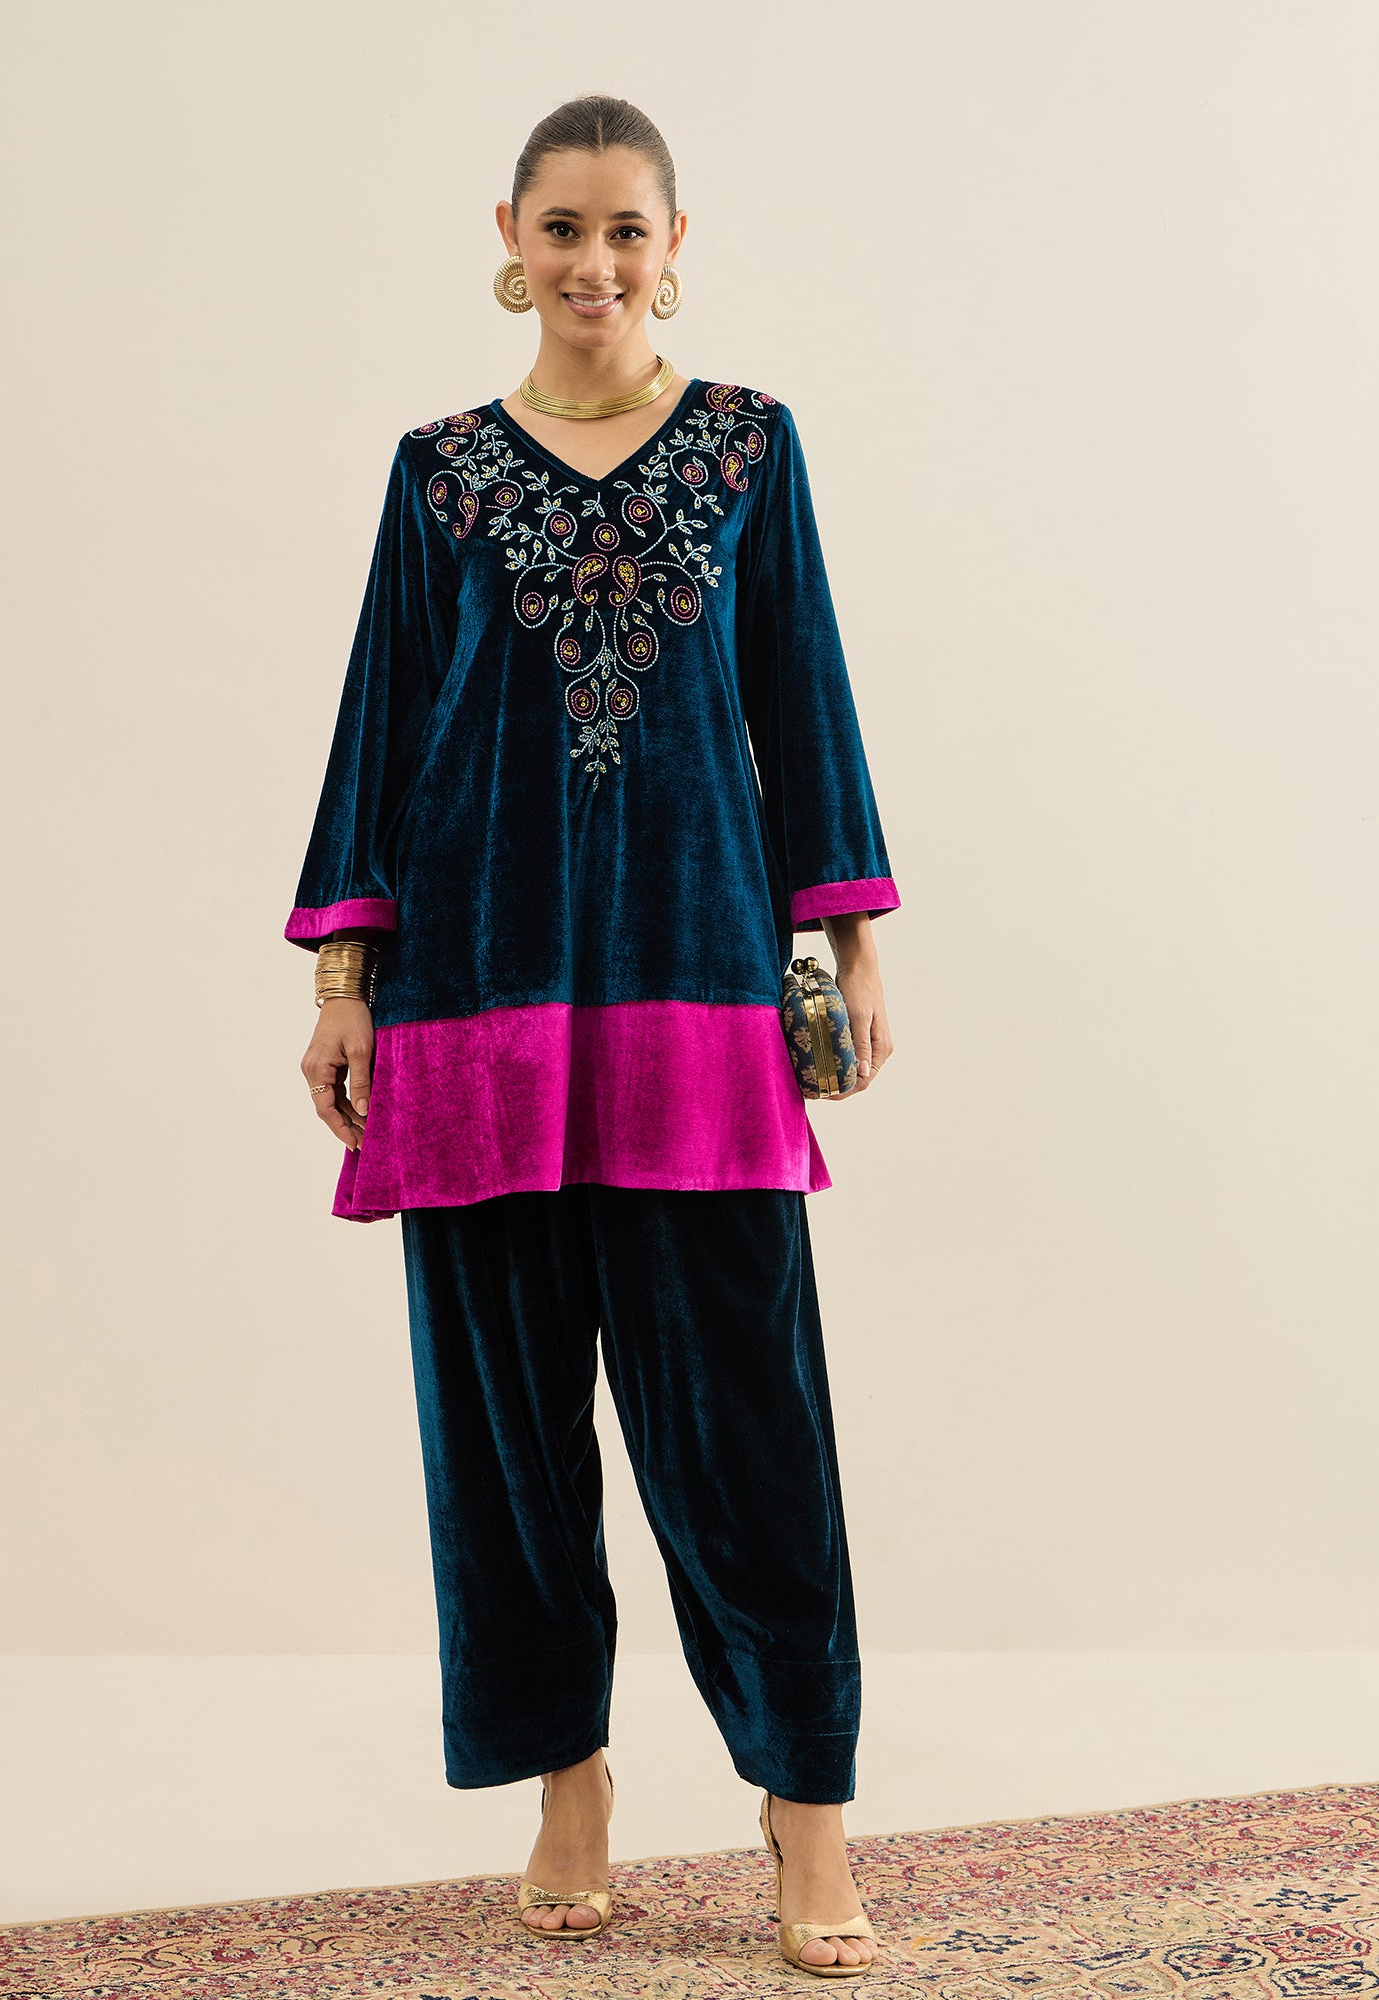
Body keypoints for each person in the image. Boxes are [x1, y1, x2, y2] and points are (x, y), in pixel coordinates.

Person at [284, 93, 900, 1978]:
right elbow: (383, 723)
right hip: (475, 996)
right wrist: (343, 980)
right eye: (563, 228)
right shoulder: (440, 473)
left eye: (627, 229)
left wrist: (850, 944)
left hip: (695, 987)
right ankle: (569, 1776)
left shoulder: (749, 448)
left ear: (675, 242)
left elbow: (802, 693)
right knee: (505, 1435)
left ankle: (806, 1805)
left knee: (748, 1426)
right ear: (511, 235)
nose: (595, 263)